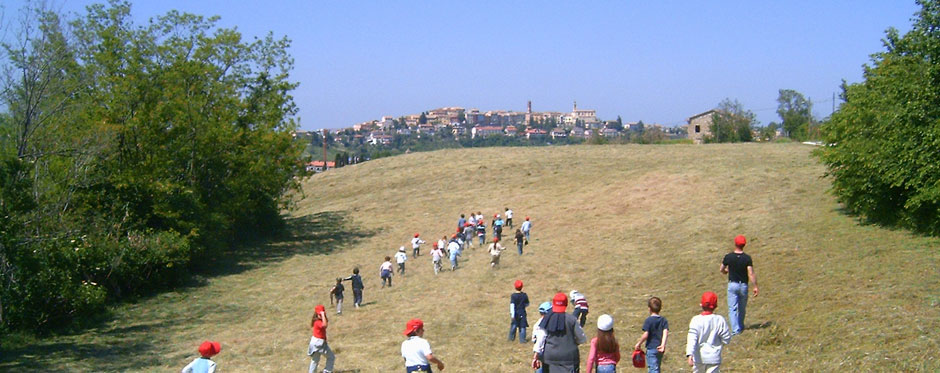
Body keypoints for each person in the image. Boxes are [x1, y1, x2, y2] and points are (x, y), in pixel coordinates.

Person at [532, 292, 587, 372]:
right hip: (569, 358)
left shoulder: (545, 319)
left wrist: (535, 356)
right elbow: (582, 338)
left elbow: (541, 338)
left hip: (550, 358)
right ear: (566, 304)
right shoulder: (572, 320)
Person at [719, 235, 759, 335]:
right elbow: (750, 273)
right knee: (742, 308)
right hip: (743, 285)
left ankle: (735, 330)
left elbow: (721, 269)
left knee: (732, 308)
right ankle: (741, 326)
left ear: (735, 243)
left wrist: (726, 271)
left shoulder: (729, 257)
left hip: (732, 285)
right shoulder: (747, 258)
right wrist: (755, 286)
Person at [685, 292, 731, 373]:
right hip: (714, 357)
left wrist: (690, 354)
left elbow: (692, 338)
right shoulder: (720, 320)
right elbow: (727, 338)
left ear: (701, 304)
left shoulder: (696, 320)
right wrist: (721, 342)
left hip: (698, 357)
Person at [634, 297, 669, 373]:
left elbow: (646, 334)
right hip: (660, 349)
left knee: (653, 369)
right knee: (656, 367)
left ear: (649, 309)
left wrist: (639, 343)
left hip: (651, 348)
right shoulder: (663, 320)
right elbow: (665, 332)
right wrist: (663, 345)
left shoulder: (648, 320)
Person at [308, 305, 336, 373]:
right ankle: (327, 371)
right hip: (318, 343)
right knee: (331, 357)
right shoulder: (317, 322)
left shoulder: (318, 321)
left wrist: (323, 315)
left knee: (315, 360)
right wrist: (323, 314)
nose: (321, 315)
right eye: (319, 314)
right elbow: (325, 325)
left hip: (316, 343)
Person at [531, 302, 552, 373]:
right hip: (548, 351)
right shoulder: (547, 323)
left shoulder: (537, 324)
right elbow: (541, 339)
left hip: (541, 352)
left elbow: (534, 339)